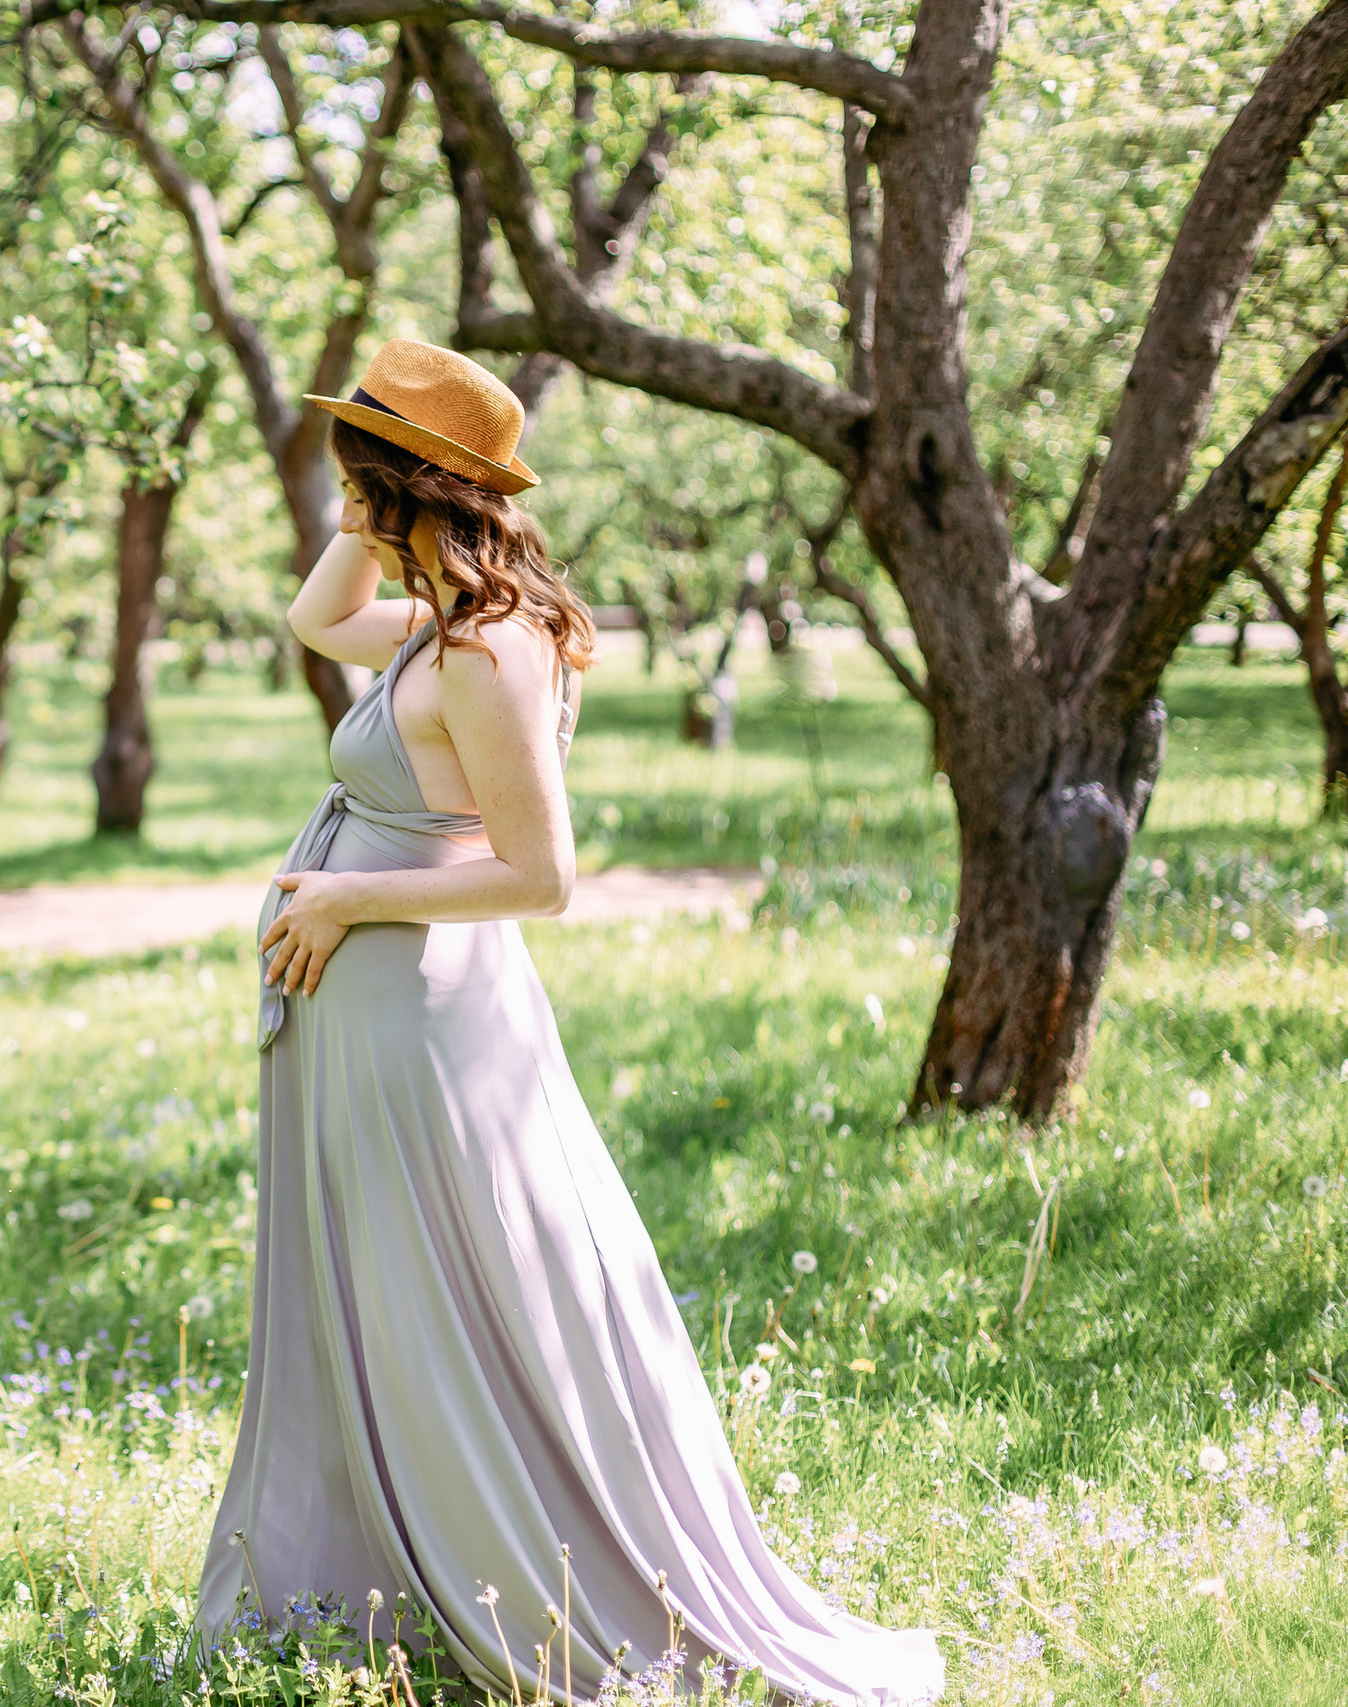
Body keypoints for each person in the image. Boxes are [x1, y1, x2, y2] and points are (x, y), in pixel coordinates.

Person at [198, 340, 943, 1705]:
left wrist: (348, 898)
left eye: (359, 463)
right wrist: (365, 521)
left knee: (455, 1297)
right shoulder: (432, 621)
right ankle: (380, 1560)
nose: (341, 484)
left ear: (414, 481)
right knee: (381, 1287)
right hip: (369, 1007)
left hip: (421, 1012)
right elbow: (319, 619)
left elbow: (541, 878)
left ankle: (514, 1568)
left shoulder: (489, 651)